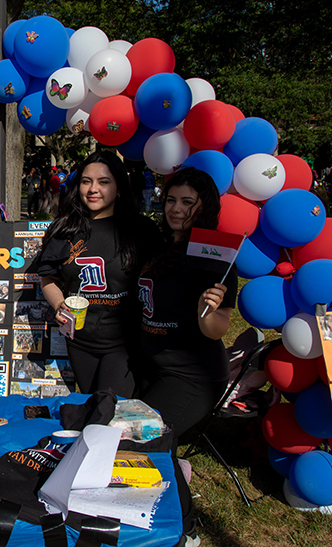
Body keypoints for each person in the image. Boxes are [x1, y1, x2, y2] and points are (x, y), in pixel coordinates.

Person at [135, 167, 236, 547]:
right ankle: (174, 475)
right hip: (154, 367)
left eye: (187, 203)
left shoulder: (215, 256)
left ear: (204, 206)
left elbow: (217, 329)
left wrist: (204, 310)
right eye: (172, 200)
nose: (176, 209)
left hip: (193, 376)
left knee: (146, 439)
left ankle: (187, 531)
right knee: (144, 441)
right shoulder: (165, 245)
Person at [38, 150, 162, 397]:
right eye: (86, 181)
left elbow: (160, 284)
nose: (93, 189)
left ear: (118, 186)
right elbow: (48, 278)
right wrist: (59, 305)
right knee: (93, 407)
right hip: (80, 342)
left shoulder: (142, 231)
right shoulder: (64, 228)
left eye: (104, 182)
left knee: (108, 411)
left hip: (125, 344)